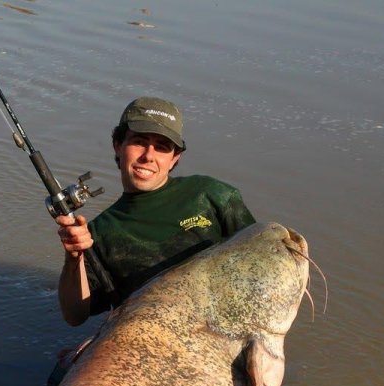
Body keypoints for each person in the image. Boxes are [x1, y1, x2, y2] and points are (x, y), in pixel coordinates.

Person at [55, 97, 257, 327]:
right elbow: (75, 316)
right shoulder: (98, 232)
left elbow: (260, 263)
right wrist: (74, 258)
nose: (149, 156)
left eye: (162, 147)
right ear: (118, 145)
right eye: (139, 142)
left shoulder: (213, 195)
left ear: (175, 158)